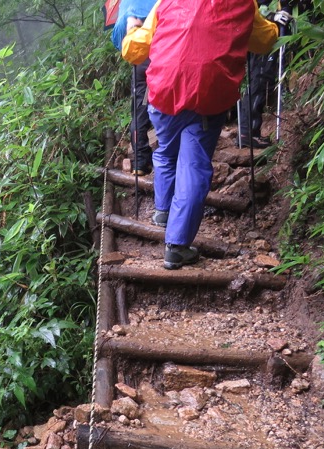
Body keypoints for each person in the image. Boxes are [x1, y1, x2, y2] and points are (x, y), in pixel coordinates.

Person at [122, 0, 284, 269]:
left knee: (165, 150)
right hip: (207, 96)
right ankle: (176, 245)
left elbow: (134, 51)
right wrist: (278, 25)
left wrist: (131, 30)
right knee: (193, 167)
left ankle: (163, 212)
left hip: (163, 92)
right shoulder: (243, 4)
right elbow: (264, 41)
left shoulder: (168, 2)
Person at [111, 0, 158, 176]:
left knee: (140, 109)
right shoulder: (160, 3)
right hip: (165, 58)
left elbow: (118, 41)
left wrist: (131, 30)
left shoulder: (126, 6)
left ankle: (140, 162)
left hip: (141, 64)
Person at [238, 1, 292, 148]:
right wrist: (273, 15)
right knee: (260, 79)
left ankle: (249, 132)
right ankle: (247, 133)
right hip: (264, 36)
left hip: (267, 33)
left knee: (261, 79)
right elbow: (253, 9)